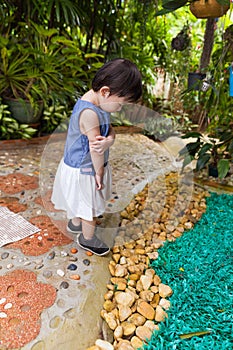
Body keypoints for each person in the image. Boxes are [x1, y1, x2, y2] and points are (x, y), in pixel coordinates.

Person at [51, 58, 142, 256]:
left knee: (81, 202)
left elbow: (109, 132)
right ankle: (87, 238)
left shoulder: (98, 102)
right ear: (105, 92)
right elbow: (96, 150)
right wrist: (99, 173)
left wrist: (109, 140)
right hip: (85, 169)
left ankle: (76, 224)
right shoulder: (90, 114)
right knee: (88, 205)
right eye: (120, 105)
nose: (119, 109)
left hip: (82, 165)